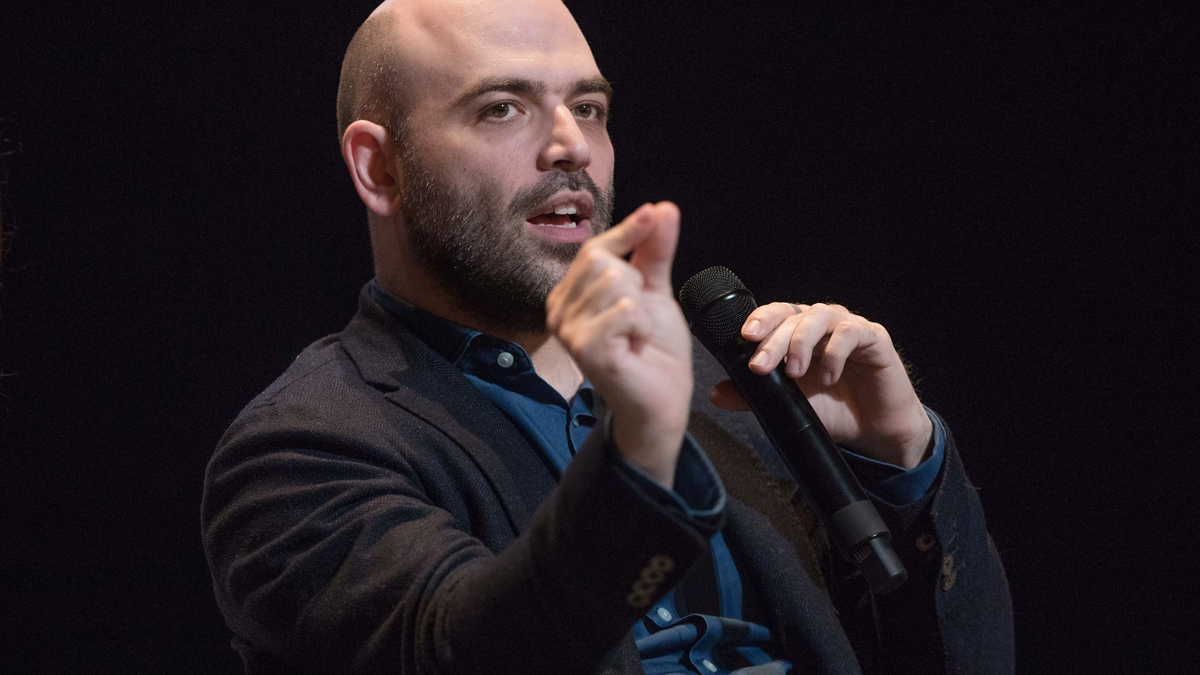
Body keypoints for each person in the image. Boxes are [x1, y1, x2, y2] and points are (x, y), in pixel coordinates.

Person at [201, 1, 1014, 673]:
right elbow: (460, 651)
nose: (572, 146)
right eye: (502, 108)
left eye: (588, 108)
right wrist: (642, 455)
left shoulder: (727, 390)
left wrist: (902, 457)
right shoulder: (302, 448)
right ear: (379, 168)